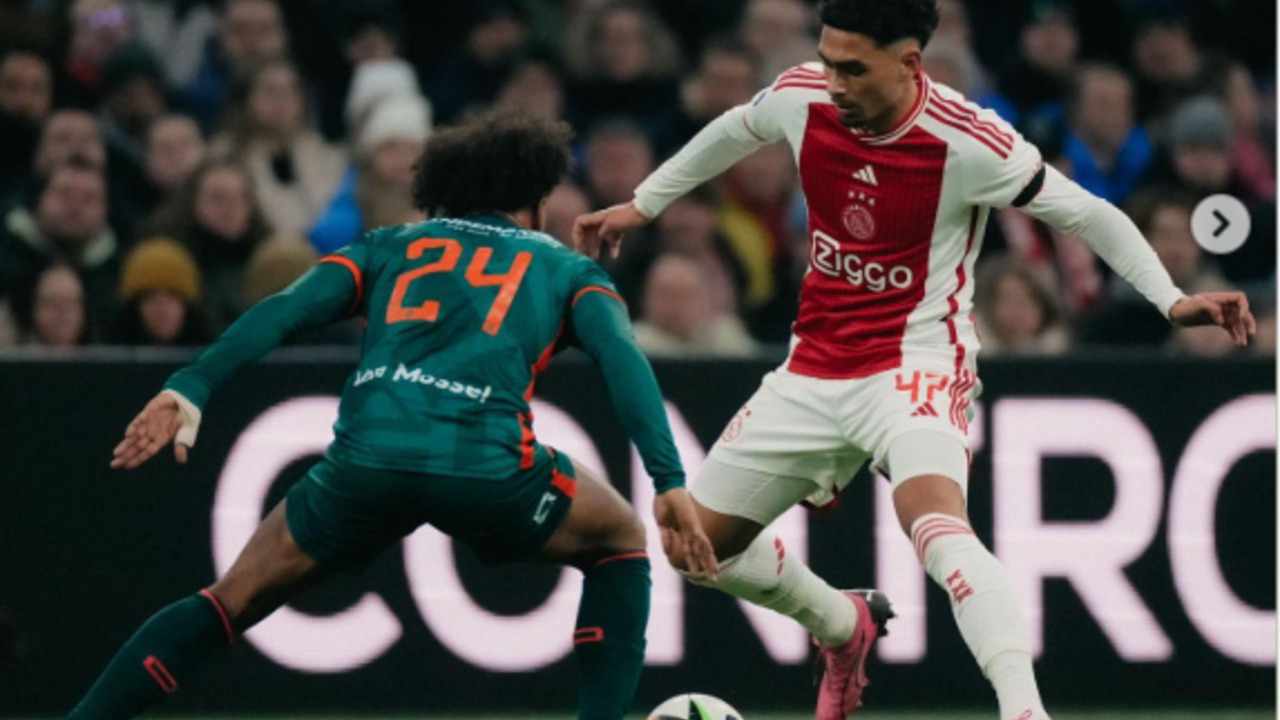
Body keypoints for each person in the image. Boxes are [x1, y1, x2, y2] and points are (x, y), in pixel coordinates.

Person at [573, 2, 1257, 719]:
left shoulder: (968, 141)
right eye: (828, 61)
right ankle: (841, 622)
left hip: (915, 365)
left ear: (909, 63)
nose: (834, 82)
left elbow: (1087, 212)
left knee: (936, 530)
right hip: (813, 365)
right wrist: (643, 205)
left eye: (853, 69)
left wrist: (1171, 299)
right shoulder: (804, 96)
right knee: (694, 546)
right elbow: (737, 128)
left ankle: (1026, 711)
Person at [66, 111, 715, 720]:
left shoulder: (388, 245)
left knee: (228, 600)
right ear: (538, 197)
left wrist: (192, 385)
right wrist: (668, 480)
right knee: (619, 538)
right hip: (487, 472)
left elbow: (283, 310)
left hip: (363, 467)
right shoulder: (568, 270)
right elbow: (625, 364)